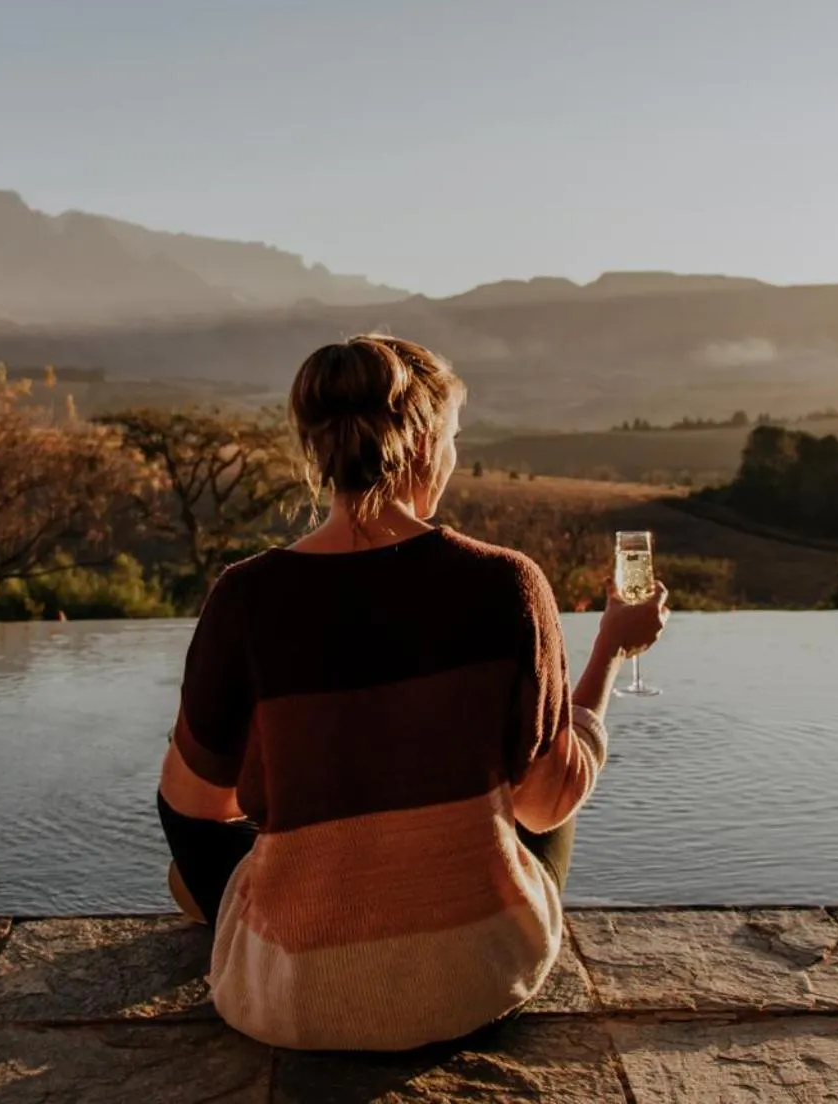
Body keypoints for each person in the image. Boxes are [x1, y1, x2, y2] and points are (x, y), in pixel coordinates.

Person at [156, 333, 668, 1051]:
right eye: (454, 436)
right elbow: (544, 803)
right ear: (426, 442)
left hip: (295, 1001)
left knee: (195, 831)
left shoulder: (244, 597)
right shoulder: (506, 584)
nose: (454, 456)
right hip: (476, 983)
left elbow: (198, 807)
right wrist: (611, 648)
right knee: (548, 769)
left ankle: (225, 898)